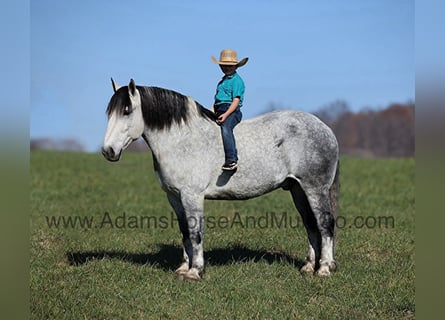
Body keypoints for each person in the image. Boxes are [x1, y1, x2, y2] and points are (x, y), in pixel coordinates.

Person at [211, 49, 248, 171]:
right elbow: (217, 101)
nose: (226, 68)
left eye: (229, 66)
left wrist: (226, 115)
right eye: (223, 65)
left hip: (232, 110)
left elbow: (235, 101)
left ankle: (231, 160)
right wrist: (209, 111)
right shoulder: (222, 82)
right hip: (219, 109)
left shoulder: (237, 81)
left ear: (236, 66)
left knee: (226, 128)